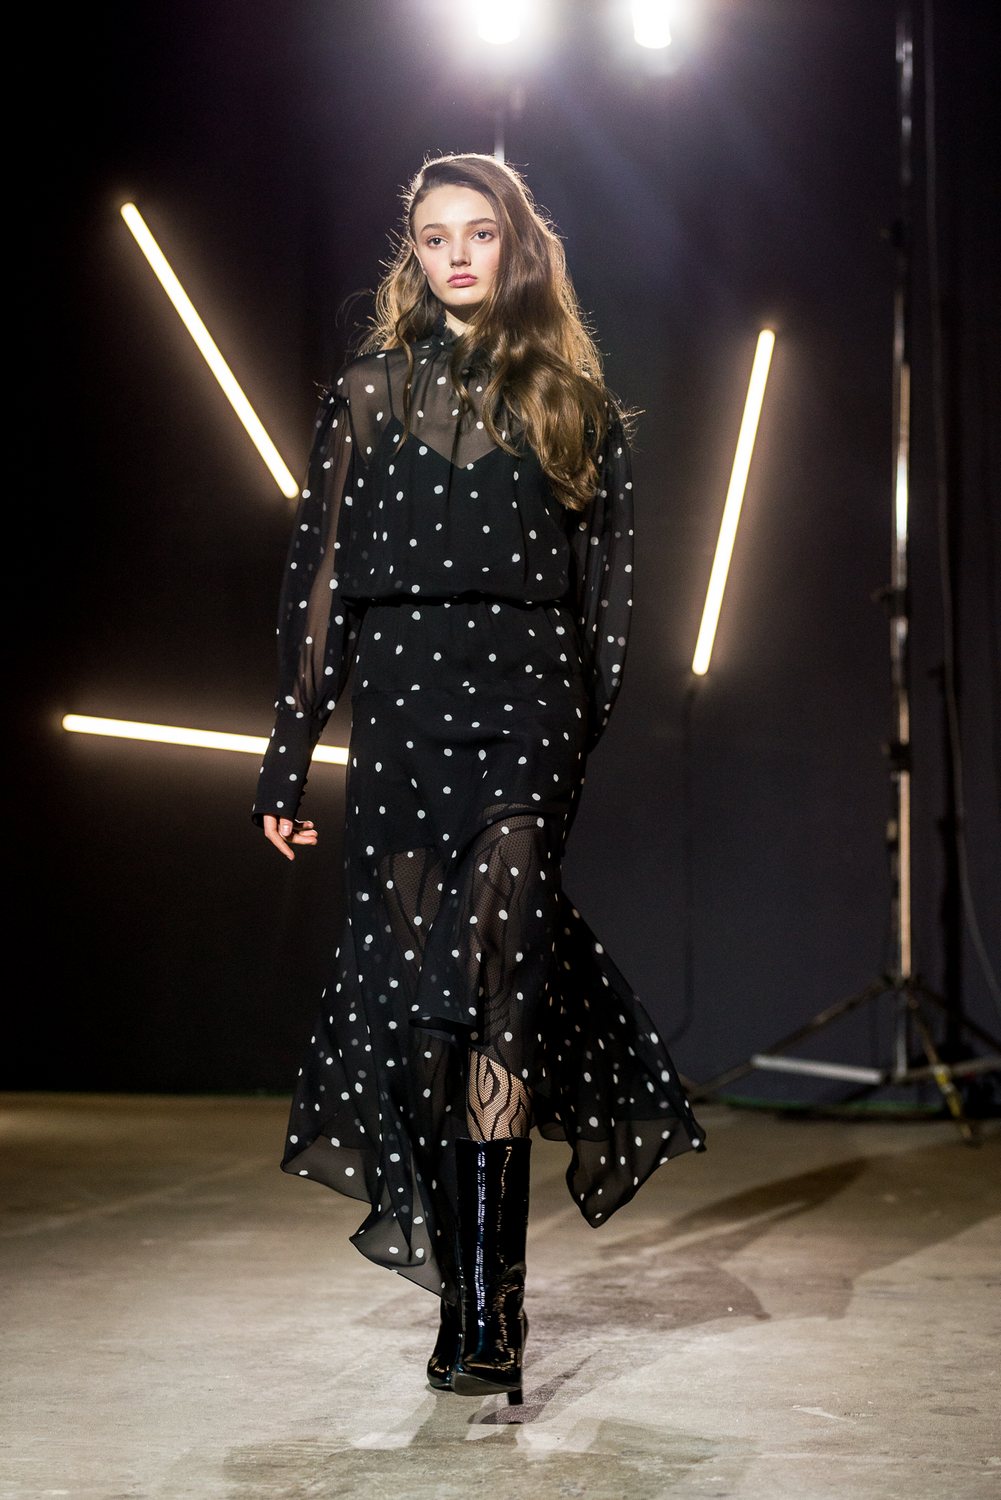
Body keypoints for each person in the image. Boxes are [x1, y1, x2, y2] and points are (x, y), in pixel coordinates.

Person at [252, 152, 706, 1404]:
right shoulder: (364, 395)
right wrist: (289, 757)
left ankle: (495, 1314)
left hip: (522, 712)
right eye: (434, 236)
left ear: (515, 245)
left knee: (493, 987)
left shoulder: (571, 404)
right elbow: (319, 584)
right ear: (414, 255)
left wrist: (567, 739)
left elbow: (607, 597)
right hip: (400, 714)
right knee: (418, 1017)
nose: (456, 255)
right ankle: (458, 1296)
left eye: (478, 233)